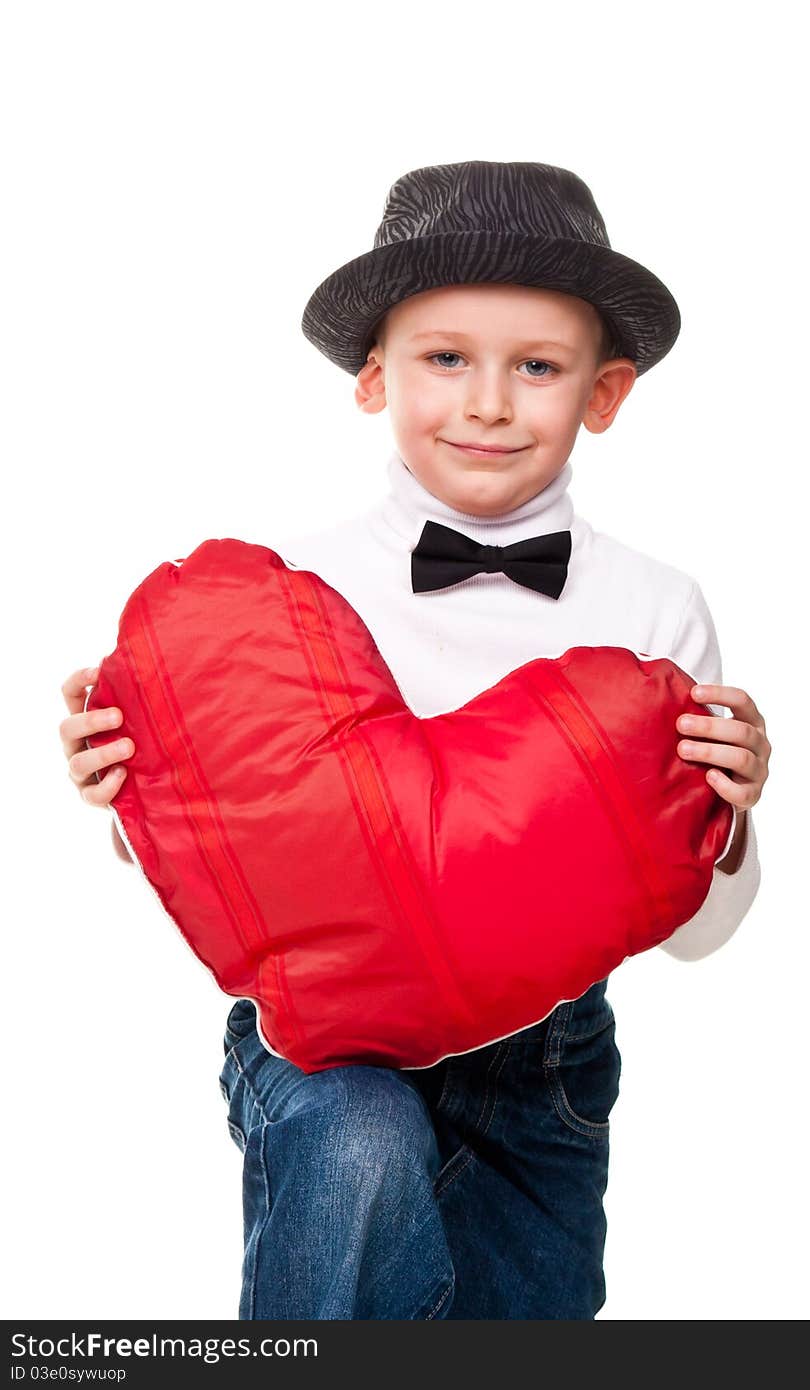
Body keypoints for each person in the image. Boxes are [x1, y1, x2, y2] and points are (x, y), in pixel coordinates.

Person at [58, 161, 771, 1319]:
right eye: (445, 359)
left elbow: (695, 933)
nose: (488, 402)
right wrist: (129, 796)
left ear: (604, 393)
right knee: (353, 1146)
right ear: (373, 378)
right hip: (323, 1035)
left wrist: (730, 825)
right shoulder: (286, 595)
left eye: (536, 367)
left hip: (542, 1078)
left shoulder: (658, 607)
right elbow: (241, 847)